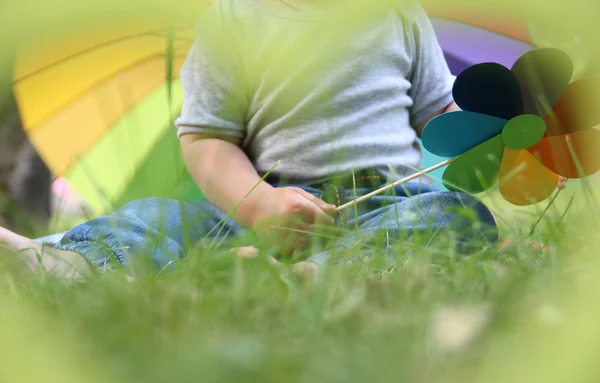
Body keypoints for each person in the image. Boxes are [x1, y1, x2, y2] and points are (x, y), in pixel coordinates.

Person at [0, 0, 564, 280]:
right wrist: (260, 203)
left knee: (452, 213)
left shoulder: (398, 14)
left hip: (380, 204)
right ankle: (70, 260)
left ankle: (310, 275)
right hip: (255, 202)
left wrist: (492, 138)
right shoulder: (234, 20)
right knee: (156, 216)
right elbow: (205, 139)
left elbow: (439, 115)